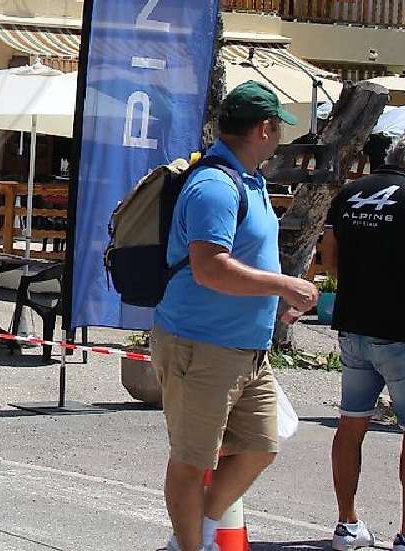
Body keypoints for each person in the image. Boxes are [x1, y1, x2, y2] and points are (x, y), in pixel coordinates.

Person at [153, 82, 318, 551]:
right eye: (277, 130)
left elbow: (248, 259)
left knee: (261, 445)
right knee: (190, 461)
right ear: (264, 129)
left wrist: (275, 300)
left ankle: (195, 530)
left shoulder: (249, 180)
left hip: (246, 348)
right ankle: (191, 543)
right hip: (201, 346)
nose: (279, 139)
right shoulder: (213, 186)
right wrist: (283, 285)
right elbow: (209, 268)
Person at [319, 130, 405, 551]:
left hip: (353, 326)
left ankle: (347, 525)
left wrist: (354, 285)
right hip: (402, 331)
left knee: (351, 423)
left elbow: (328, 255)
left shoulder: (349, 194)